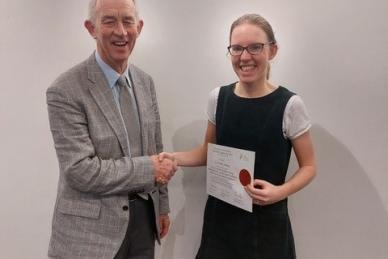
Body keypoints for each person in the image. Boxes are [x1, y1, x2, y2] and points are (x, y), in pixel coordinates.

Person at [159, 13, 316, 259]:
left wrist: (280, 192)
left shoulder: (290, 105)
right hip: (221, 222)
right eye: (237, 48)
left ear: (272, 50)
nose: (245, 57)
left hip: (267, 226)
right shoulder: (218, 98)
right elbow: (208, 152)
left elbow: (309, 167)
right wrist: (174, 157)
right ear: (230, 51)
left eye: (255, 47)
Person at [46, 0, 177, 258]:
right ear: (91, 27)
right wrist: (150, 169)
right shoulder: (65, 90)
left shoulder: (145, 82)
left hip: (144, 223)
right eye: (109, 21)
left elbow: (156, 148)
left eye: (128, 21)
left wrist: (162, 206)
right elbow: (80, 170)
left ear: (139, 27)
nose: (121, 31)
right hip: (90, 233)